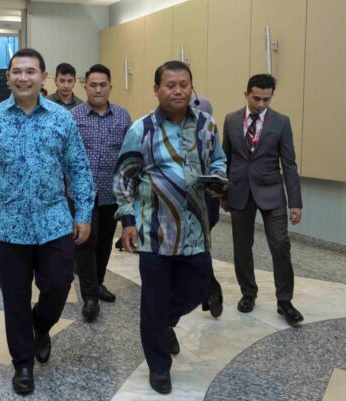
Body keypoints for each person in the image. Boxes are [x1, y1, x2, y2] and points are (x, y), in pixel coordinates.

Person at [0, 48, 94, 395]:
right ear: (8, 77)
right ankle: (22, 363)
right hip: (9, 227)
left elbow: (79, 169)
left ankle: (42, 325)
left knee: (58, 286)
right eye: (17, 72)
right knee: (15, 298)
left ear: (43, 76)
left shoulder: (62, 119)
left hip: (54, 223)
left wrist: (83, 213)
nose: (23, 78)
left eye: (30, 71)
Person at [113, 61, 227, 394]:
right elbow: (124, 177)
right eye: (170, 85)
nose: (178, 91)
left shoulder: (206, 124)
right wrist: (127, 220)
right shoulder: (141, 129)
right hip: (155, 231)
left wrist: (218, 177)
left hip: (195, 231)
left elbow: (218, 159)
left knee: (197, 288)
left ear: (192, 88)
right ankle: (159, 366)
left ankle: (161, 324)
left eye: (184, 85)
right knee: (154, 299)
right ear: (157, 89)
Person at [222, 74, 303, 326]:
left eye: (266, 99)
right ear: (246, 94)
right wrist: (223, 194)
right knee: (242, 246)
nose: (260, 104)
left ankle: (284, 301)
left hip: (272, 192)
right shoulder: (231, 120)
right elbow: (225, 159)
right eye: (256, 98)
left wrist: (295, 202)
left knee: (280, 244)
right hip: (239, 191)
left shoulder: (281, 122)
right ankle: (248, 293)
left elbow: (289, 164)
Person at [70, 64, 132, 322]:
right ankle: (89, 297)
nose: (98, 89)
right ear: (85, 87)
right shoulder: (73, 116)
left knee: (105, 241)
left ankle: (98, 283)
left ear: (110, 87)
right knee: (86, 242)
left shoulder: (123, 116)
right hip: (81, 194)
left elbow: (129, 156)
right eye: (93, 85)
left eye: (102, 85)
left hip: (111, 192)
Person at [189, 93, 224, 318]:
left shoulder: (207, 139)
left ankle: (211, 291)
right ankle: (210, 292)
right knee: (198, 248)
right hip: (201, 206)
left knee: (196, 249)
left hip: (199, 205)